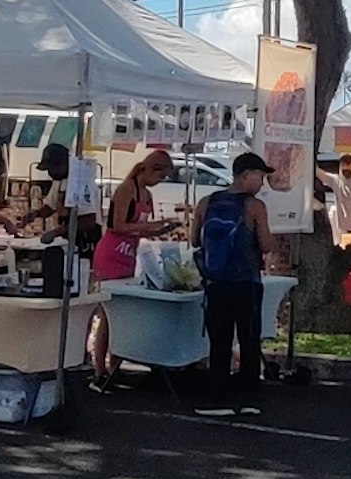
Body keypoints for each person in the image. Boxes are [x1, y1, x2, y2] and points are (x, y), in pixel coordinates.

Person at [188, 154, 281, 420]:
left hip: (216, 283)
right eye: (260, 177)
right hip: (246, 281)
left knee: (220, 340)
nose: (262, 183)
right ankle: (249, 397)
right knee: (249, 339)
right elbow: (265, 244)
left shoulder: (207, 202)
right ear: (245, 175)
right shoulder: (254, 206)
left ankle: (217, 396)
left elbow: (195, 239)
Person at [90, 148, 176, 383]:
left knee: (123, 313)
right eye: (161, 176)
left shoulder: (147, 195)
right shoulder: (127, 189)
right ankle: (100, 368)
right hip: (111, 252)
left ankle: (116, 366)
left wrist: (161, 229)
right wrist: (151, 227)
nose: (161, 182)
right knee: (109, 314)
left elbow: (142, 226)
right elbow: (117, 225)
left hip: (129, 253)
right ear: (150, 169)